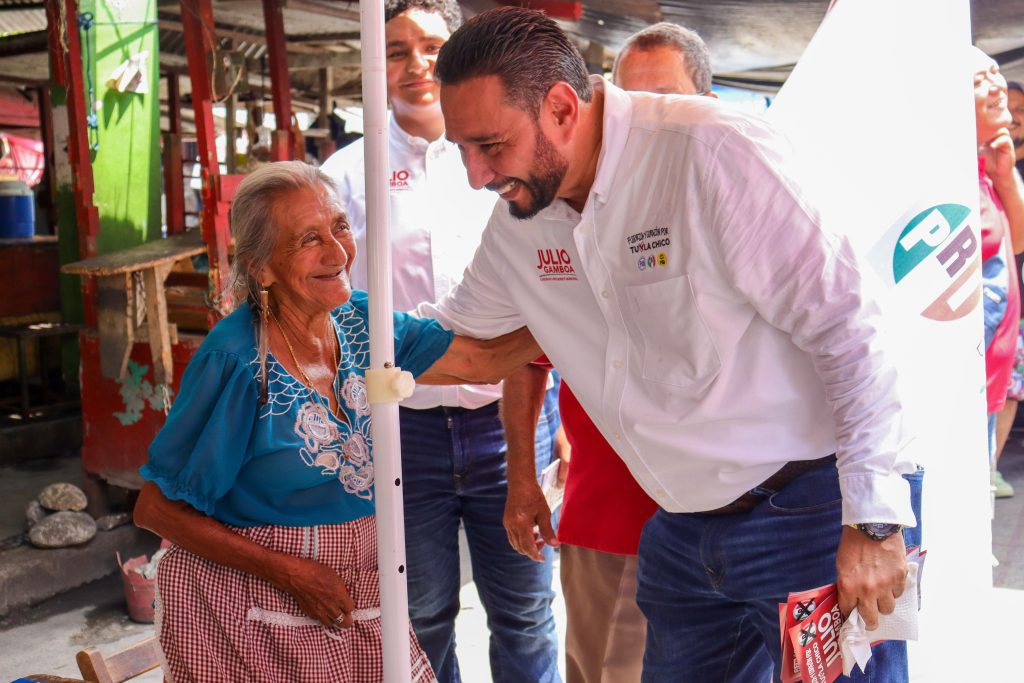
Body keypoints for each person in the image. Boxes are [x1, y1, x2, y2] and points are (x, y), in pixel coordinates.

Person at [422, 7, 920, 681]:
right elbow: (461, 339)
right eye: (462, 149)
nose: (476, 175)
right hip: (684, 526)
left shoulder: (711, 151)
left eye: (490, 144)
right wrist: (330, 331)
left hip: (813, 511)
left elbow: (849, 326)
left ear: (562, 108)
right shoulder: (521, 219)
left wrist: (875, 521)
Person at [133, 161, 544, 683]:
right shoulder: (236, 361)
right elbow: (155, 509)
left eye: (340, 227)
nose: (337, 252)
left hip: (353, 587)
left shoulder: (362, 323)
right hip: (247, 605)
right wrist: (290, 572)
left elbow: (482, 362)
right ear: (262, 268)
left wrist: (579, 313)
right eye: (309, 239)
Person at [319, 2, 562, 681]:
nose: (415, 64)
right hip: (403, 427)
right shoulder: (347, 174)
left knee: (524, 608)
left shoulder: (501, 152)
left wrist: (562, 418)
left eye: (430, 45)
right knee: (419, 613)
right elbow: (330, 303)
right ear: (375, 62)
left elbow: (548, 288)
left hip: (511, 417)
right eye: (396, 50)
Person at [500, 21, 717, 683]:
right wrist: (521, 477)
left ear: (708, 106)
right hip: (612, 518)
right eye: (629, 98)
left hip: (727, 521)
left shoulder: (733, 200)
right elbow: (523, 353)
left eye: (665, 99)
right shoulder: (567, 216)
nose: (644, 117)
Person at [974, 53, 1024, 499]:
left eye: (996, 72)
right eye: (979, 80)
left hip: (987, 383)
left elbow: (1017, 241)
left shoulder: (986, 168)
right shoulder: (944, 177)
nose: (997, 86)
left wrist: (1005, 176)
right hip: (965, 392)